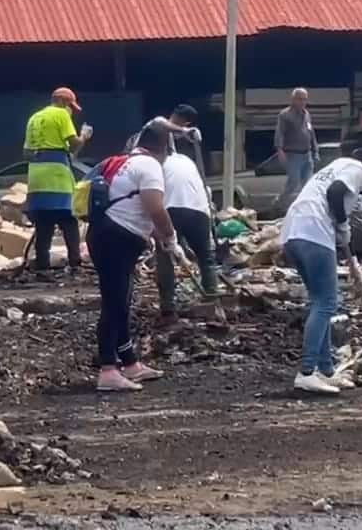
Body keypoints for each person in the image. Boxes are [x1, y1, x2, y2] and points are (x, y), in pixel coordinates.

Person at [281, 131, 362, 395]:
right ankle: (307, 372)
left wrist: (345, 236)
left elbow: (333, 196)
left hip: (293, 232)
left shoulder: (331, 166)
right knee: (327, 303)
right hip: (314, 232)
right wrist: (343, 224)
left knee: (319, 301)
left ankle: (326, 370)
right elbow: (335, 194)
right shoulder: (355, 166)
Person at [87, 123, 176, 392]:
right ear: (163, 148)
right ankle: (108, 369)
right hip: (117, 238)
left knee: (121, 299)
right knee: (115, 303)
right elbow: (154, 206)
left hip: (103, 233)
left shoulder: (122, 162)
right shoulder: (150, 166)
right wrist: (169, 235)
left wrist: (153, 234)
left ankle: (129, 363)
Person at [23, 88, 93, 271]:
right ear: (63, 102)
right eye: (71, 106)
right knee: (69, 220)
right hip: (56, 175)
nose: (71, 111)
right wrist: (84, 136)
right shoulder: (61, 114)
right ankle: (75, 263)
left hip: (36, 175)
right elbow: (74, 143)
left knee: (43, 223)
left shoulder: (34, 118)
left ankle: (42, 267)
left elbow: (26, 152)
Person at [154, 144, 220, 323]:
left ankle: (168, 309)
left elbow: (152, 199)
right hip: (199, 209)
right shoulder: (186, 161)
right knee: (206, 257)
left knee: (165, 257)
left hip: (170, 210)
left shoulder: (156, 164)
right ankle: (212, 300)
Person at [275, 88, 320, 202]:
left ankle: (304, 207)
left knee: (308, 184)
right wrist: (280, 150)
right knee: (294, 182)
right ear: (293, 99)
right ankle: (279, 203)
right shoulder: (285, 115)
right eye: (300, 99)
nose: (302, 102)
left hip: (307, 154)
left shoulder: (307, 114)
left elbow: (311, 132)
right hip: (293, 154)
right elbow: (280, 133)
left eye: (305, 99)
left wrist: (316, 150)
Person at [124, 104, 200, 154]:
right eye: (185, 122)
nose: (185, 125)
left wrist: (191, 134)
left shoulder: (171, 135)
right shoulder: (159, 121)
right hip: (136, 160)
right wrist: (185, 131)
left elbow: (178, 134)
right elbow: (161, 123)